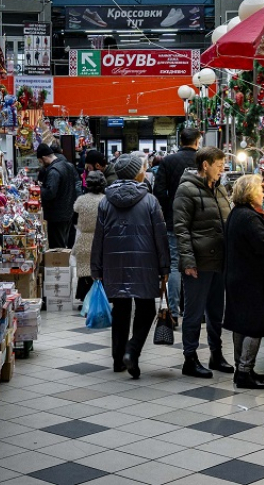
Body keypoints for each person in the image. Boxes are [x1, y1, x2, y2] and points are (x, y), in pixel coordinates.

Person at [91, 154, 169, 378]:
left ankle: (118, 360)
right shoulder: (150, 201)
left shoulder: (106, 201)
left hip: (114, 264)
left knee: (121, 309)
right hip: (145, 263)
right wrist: (165, 267)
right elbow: (160, 236)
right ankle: (132, 351)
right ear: (137, 173)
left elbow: (99, 238)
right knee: (146, 310)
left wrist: (96, 269)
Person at [174, 147, 233, 378]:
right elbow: (181, 229)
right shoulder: (186, 190)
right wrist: (188, 261)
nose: (222, 169)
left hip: (219, 261)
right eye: (218, 165)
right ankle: (190, 358)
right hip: (198, 263)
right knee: (194, 313)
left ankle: (216, 354)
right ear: (205, 165)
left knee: (216, 312)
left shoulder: (220, 189)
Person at [223, 174, 264, 389]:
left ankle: (243, 368)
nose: (263, 193)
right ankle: (244, 373)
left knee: (242, 324)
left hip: (239, 277)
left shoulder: (237, 214)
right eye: (259, 190)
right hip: (251, 279)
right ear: (249, 193)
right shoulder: (248, 217)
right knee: (253, 326)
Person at [153, 127, 202, 324]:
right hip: (200, 221)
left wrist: (170, 210)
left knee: (174, 265)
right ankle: (196, 311)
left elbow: (159, 191)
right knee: (197, 263)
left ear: (180, 140)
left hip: (174, 221)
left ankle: (173, 310)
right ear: (198, 141)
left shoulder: (168, 161)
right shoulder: (203, 160)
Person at [38, 143, 81, 249]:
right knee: (63, 242)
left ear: (44, 158)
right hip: (67, 211)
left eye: (40, 161)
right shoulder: (66, 165)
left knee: (57, 247)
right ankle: (63, 263)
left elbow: (49, 193)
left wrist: (39, 189)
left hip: (57, 214)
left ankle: (59, 265)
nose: (41, 164)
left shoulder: (53, 171)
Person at [72, 171, 106, 304]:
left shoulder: (81, 200)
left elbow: (74, 220)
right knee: (98, 270)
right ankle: (99, 298)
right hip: (101, 241)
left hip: (84, 240)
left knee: (84, 271)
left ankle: (84, 298)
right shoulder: (105, 200)